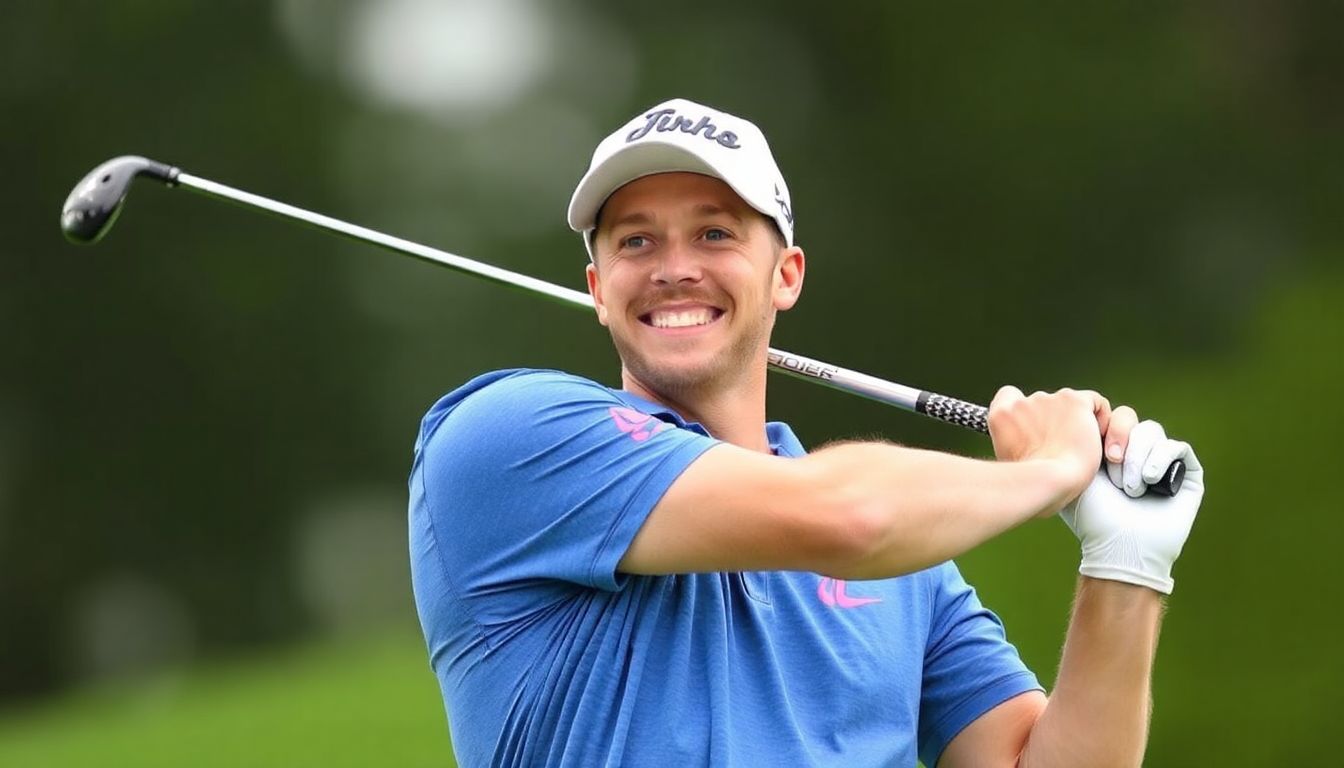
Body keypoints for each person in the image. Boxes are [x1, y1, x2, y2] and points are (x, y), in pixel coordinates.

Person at [408, 98, 1204, 767]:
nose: (672, 267)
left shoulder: (910, 567)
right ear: (597, 287)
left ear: (785, 274)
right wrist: (1053, 468)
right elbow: (846, 518)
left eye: (715, 234)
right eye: (635, 240)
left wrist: (1125, 565)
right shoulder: (508, 438)